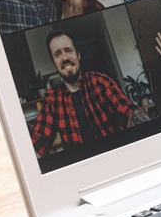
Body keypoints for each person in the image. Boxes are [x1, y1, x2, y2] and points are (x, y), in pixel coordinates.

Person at [30, 30, 147, 158]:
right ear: (54, 62)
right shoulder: (53, 100)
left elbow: (130, 113)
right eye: (58, 54)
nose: (64, 58)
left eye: (68, 50)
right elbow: (37, 145)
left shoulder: (100, 82)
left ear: (78, 55)